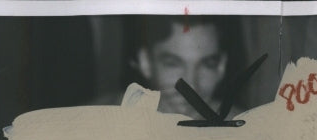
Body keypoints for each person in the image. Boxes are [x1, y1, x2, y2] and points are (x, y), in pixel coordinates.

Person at [97, 15, 237, 118]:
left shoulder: (243, 131)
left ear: (221, 66)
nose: (192, 86)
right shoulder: (101, 120)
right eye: (173, 64)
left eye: (207, 64)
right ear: (145, 62)